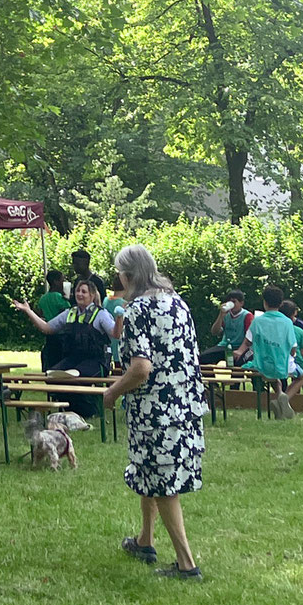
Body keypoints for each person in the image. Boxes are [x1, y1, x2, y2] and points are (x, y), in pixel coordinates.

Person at [104, 242, 204, 580]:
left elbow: (141, 368)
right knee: (148, 470)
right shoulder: (176, 302)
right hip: (185, 403)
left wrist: (112, 392)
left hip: (155, 410)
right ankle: (145, 541)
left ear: (128, 276)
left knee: (163, 484)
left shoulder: (136, 310)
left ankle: (187, 565)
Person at [13, 279, 116, 415]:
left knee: (75, 376)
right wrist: (28, 311)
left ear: (91, 296)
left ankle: (89, 410)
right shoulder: (70, 313)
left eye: (83, 292)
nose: (79, 294)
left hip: (97, 361)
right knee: (52, 375)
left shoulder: (101, 314)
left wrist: (120, 318)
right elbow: (47, 328)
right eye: (77, 291)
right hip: (73, 359)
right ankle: (69, 408)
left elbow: (116, 333)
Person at [239, 286, 303, 410]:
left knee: (271, 374)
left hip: (262, 364)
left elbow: (247, 342)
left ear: (264, 302)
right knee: (302, 377)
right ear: (280, 303)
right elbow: (293, 348)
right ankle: (284, 398)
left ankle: (280, 396)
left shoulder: (257, 321)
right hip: (282, 364)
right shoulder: (287, 322)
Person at [200, 291, 251, 366]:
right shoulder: (226, 315)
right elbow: (215, 332)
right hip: (225, 346)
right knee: (203, 358)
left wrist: (240, 350)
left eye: (234, 302)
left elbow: (249, 337)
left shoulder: (247, 316)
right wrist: (221, 315)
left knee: (238, 363)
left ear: (241, 303)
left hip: (239, 347)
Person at [33, 269, 69, 371]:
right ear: (56, 282)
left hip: (49, 335)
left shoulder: (43, 298)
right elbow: (67, 312)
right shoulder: (59, 297)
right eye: (62, 280)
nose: (63, 283)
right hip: (61, 334)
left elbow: (40, 313)